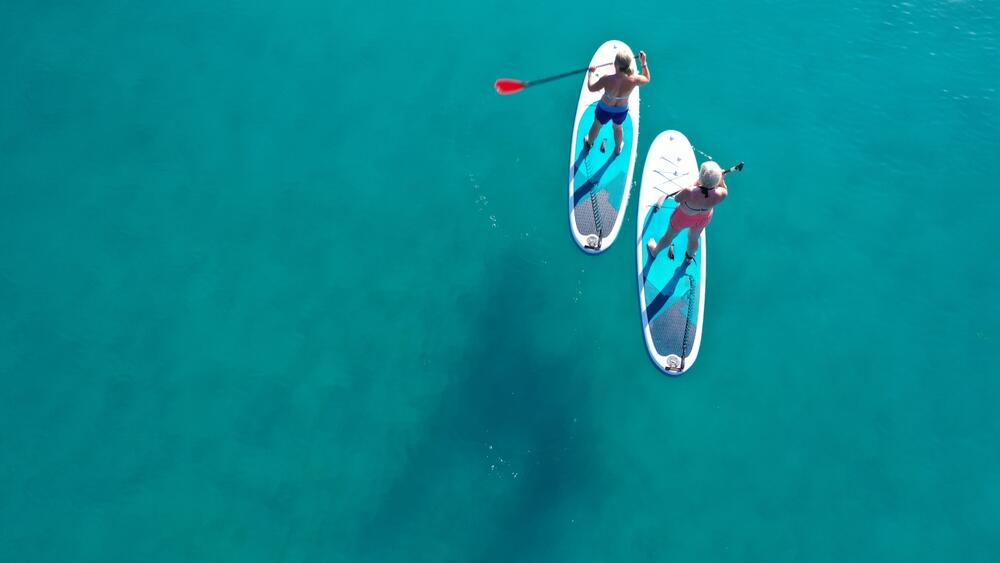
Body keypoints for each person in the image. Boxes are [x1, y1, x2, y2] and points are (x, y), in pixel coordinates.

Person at [647, 161, 728, 263]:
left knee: (669, 236)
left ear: (700, 176)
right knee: (694, 238)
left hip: (683, 217)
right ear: (718, 181)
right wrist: (721, 178)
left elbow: (677, 199)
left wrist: (693, 185)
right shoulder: (722, 194)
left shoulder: (689, 191)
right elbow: (722, 187)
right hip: (704, 218)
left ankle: (654, 251)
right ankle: (689, 257)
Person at [583, 49, 650, 155]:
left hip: (604, 108)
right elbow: (647, 78)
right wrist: (643, 63)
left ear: (615, 64)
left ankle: (589, 142)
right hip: (621, 110)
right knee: (618, 128)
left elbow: (591, 88)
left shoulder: (606, 79)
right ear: (628, 66)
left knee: (597, 124)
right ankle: (618, 148)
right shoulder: (634, 80)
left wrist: (590, 73)